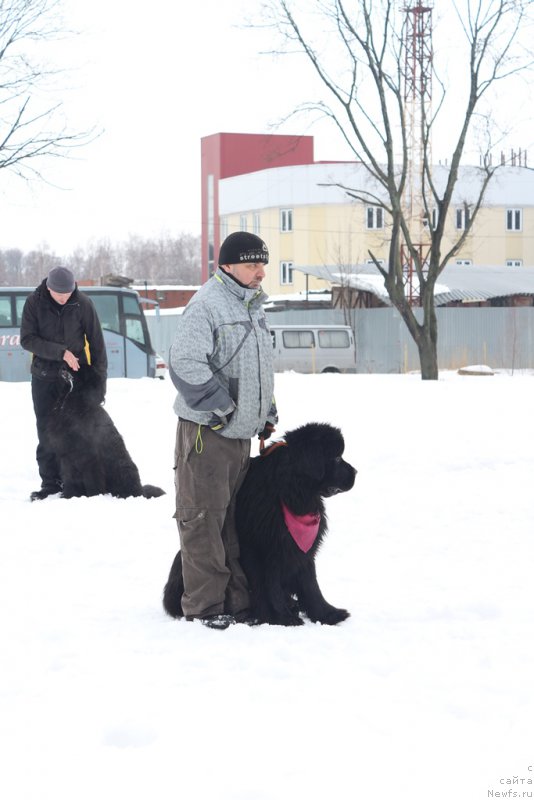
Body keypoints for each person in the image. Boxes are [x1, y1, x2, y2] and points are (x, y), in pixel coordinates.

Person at [169, 231, 277, 630]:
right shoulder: (207, 306)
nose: (261, 272)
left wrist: (266, 411)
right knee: (202, 520)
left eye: (263, 263)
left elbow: (259, 367)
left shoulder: (252, 306)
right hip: (207, 434)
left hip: (239, 436)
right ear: (228, 266)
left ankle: (237, 599)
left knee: (232, 520)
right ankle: (206, 606)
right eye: (252, 264)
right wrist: (221, 411)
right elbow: (185, 363)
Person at [20, 266, 108, 501]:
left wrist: (99, 386)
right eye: (59, 294)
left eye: (68, 293)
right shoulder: (34, 303)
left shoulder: (83, 303)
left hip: (74, 381)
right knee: (47, 431)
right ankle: (51, 483)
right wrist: (61, 352)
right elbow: (27, 339)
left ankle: (79, 481)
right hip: (44, 379)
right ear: (48, 288)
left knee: (79, 431)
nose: (64, 298)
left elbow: (97, 346)